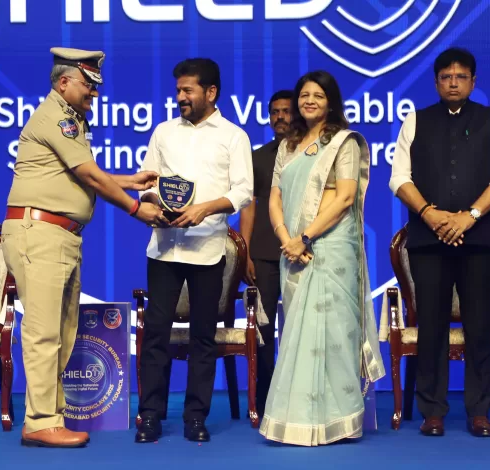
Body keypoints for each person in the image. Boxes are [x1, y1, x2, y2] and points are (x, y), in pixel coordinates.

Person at [1, 47, 166, 448]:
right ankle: (40, 421)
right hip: (40, 234)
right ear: (63, 82)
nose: (94, 93)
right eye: (87, 84)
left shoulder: (70, 117)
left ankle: (48, 416)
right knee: (44, 334)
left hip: (60, 236)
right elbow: (89, 177)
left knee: (61, 333)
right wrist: (134, 207)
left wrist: (129, 180)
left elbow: (78, 175)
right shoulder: (57, 116)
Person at [389, 47, 490, 438]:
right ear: (436, 82)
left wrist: (469, 216)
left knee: (480, 326)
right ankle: (433, 412)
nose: (454, 82)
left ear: (473, 82)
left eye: (461, 77)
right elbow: (399, 178)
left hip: (478, 240)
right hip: (429, 241)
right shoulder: (416, 120)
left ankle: (478, 411)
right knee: (431, 328)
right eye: (446, 77)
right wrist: (428, 213)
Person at [258, 71, 385, 446]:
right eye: (304, 95)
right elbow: (275, 198)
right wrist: (286, 238)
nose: (309, 101)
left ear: (331, 101)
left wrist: (305, 237)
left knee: (332, 334)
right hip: (293, 250)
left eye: (318, 95)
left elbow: (345, 197)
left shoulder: (343, 143)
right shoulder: (288, 145)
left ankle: (340, 421)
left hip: (329, 249)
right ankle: (297, 421)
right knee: (299, 332)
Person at [134, 58, 253, 443]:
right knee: (156, 335)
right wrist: (152, 204)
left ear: (211, 92)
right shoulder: (163, 132)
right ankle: (150, 416)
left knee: (204, 337)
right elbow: (147, 182)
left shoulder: (234, 136)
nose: (180, 97)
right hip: (164, 249)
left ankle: (195, 418)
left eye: (188, 91)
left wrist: (204, 208)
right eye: (178, 90)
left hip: (207, 250)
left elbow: (242, 191)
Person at [239, 89, 292, 418]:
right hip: (263, 254)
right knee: (263, 327)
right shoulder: (258, 158)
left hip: (304, 250)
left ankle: (298, 398)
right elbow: (248, 207)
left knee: (304, 326)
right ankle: (264, 400)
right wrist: (244, 252)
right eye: (274, 112)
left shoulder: (310, 153)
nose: (280, 117)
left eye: (286, 111)